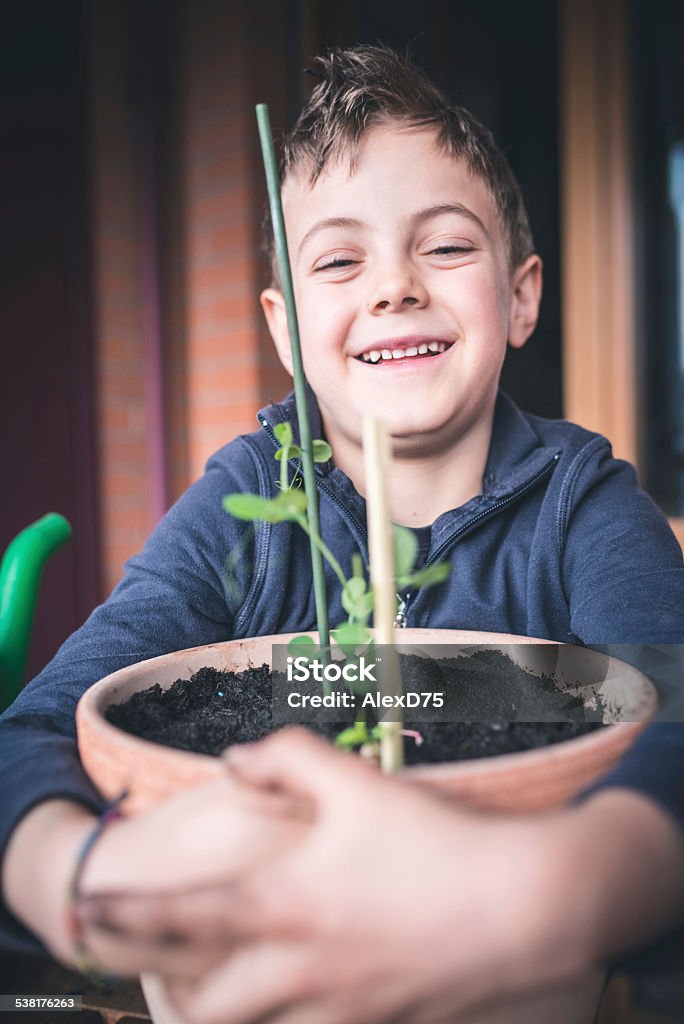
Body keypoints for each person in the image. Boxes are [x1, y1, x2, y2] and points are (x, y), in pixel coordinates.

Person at [2, 43, 683, 1024]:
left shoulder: (585, 506)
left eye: (445, 246)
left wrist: (548, 889)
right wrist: (80, 876)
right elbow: (36, 725)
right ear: (285, 329)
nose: (395, 284)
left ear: (523, 294)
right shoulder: (251, 498)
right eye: (338, 259)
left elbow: (677, 714)